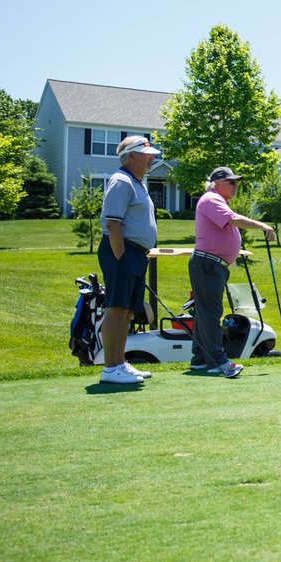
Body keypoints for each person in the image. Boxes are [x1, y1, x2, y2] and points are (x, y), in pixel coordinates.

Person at [188, 167, 275, 378]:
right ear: (218, 183)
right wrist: (262, 225)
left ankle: (199, 359)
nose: (236, 186)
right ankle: (218, 360)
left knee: (204, 312)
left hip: (211, 264)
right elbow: (233, 219)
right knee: (210, 313)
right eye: (231, 182)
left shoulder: (216, 200)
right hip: (208, 264)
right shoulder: (211, 199)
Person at [97, 135, 162, 384]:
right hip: (121, 251)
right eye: (147, 155)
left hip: (135, 253)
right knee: (116, 308)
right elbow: (113, 224)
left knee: (127, 312)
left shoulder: (137, 182)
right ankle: (110, 368)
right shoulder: (121, 181)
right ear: (131, 156)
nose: (151, 159)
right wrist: (121, 258)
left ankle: (119, 364)